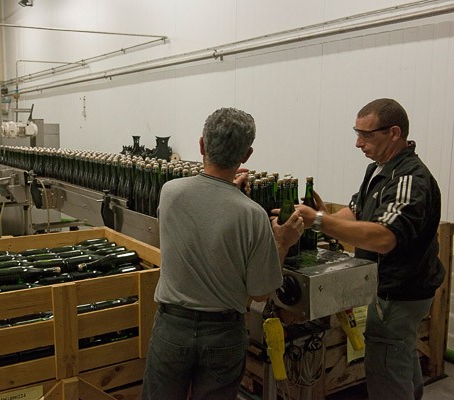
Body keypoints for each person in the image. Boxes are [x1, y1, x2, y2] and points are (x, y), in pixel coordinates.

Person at [141, 107, 303, 400]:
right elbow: (260, 293)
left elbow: (205, 212)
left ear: (201, 145)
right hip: (223, 335)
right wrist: (283, 242)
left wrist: (227, 191)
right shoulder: (252, 215)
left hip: (172, 328)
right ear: (247, 155)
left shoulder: (170, 192)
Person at [296, 98, 445, 400]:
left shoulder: (409, 179)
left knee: (386, 370)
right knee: (400, 356)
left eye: (366, 135)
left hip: (398, 294)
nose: (358, 143)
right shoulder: (378, 170)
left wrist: (320, 221)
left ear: (394, 133)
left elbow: (384, 237)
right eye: (357, 133)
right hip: (389, 290)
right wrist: (317, 219)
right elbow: (356, 212)